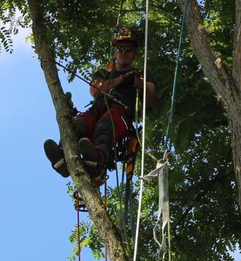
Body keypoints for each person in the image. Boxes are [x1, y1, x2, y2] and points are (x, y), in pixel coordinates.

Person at [44, 27, 159, 179]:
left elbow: (154, 103)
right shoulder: (104, 73)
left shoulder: (142, 74)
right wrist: (123, 79)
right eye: (120, 48)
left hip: (121, 112)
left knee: (105, 125)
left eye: (128, 48)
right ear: (115, 51)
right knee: (79, 124)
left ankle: (96, 161)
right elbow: (95, 90)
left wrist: (142, 85)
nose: (124, 52)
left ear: (134, 52)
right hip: (98, 107)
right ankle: (62, 156)